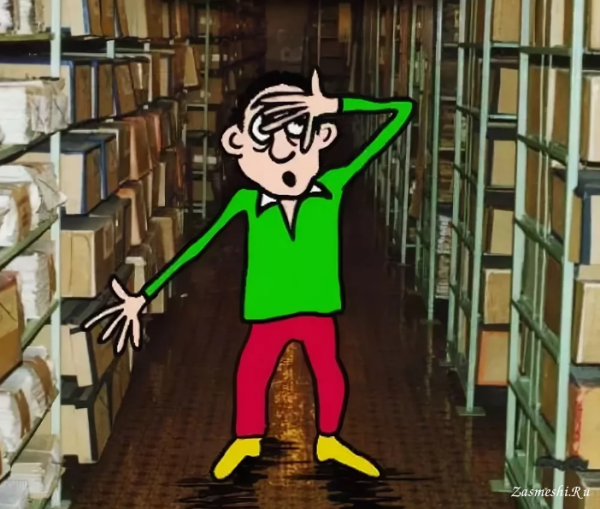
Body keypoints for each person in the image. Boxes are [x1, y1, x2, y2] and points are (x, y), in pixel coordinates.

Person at [83, 68, 415, 481]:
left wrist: (333, 104)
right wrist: (144, 294)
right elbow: (198, 245)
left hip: (316, 305)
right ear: (238, 142)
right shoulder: (246, 200)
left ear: (322, 137)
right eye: (265, 137)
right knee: (252, 372)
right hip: (268, 308)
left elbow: (400, 113)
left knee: (328, 371)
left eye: (297, 133)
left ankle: (329, 440)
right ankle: (247, 439)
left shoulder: (333, 185)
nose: (282, 149)